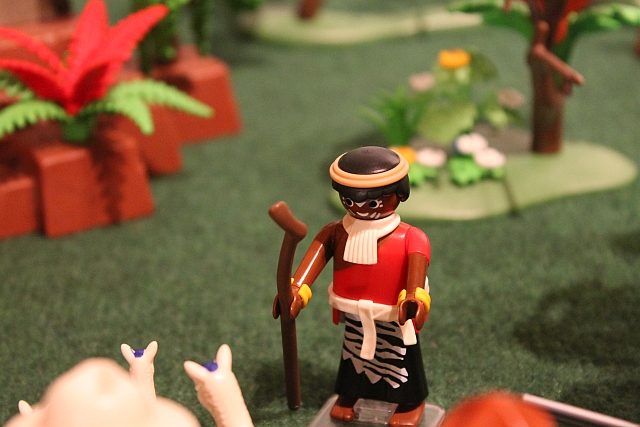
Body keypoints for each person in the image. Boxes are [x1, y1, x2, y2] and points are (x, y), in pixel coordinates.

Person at [273, 146, 431, 427]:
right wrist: (296, 292)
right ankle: (349, 394)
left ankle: (410, 401)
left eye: (372, 203)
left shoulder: (411, 237)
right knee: (353, 353)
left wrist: (415, 299)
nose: (358, 208)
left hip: (393, 313)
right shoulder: (335, 232)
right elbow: (312, 264)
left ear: (400, 193)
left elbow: (417, 274)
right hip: (354, 311)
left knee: (398, 356)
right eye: (349, 200)